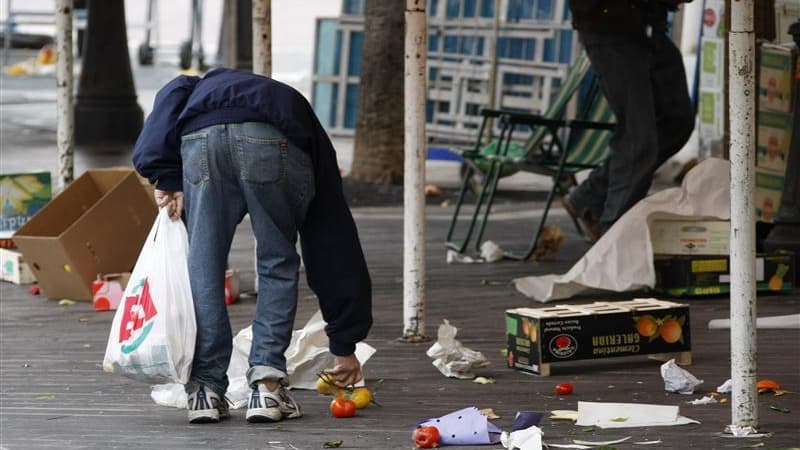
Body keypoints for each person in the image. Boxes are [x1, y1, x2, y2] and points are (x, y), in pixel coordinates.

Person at [133, 68, 372, 424]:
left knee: (203, 264)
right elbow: (332, 240)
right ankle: (267, 388)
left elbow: (168, 102)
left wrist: (167, 177)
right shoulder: (289, 103)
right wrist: (344, 342)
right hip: (274, 139)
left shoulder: (192, 88)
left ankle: (204, 391)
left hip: (201, 140)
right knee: (277, 260)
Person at [563, 0, 695, 241]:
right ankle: (615, 238)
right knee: (639, 139)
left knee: (678, 121)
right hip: (609, 27)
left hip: (647, 27)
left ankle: (589, 196)